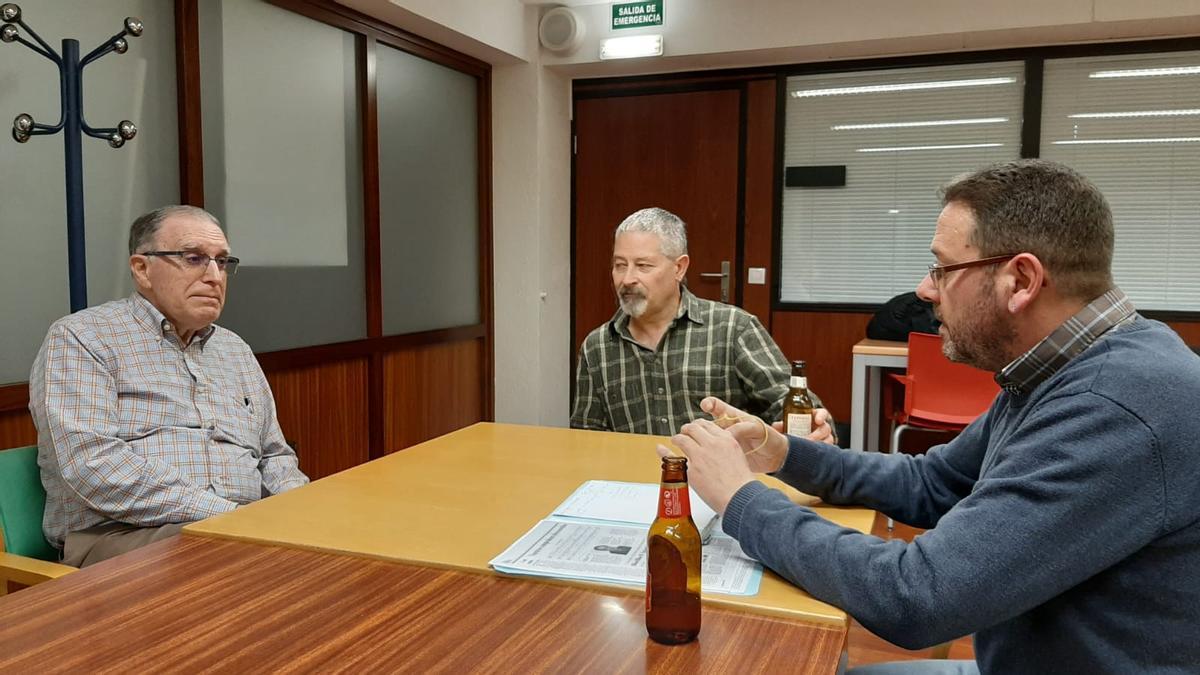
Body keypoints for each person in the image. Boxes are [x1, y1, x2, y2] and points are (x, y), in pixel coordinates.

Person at [663, 160, 1200, 673]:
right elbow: (934, 481)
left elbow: (917, 595)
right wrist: (782, 454)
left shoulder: (1114, 408)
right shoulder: (1062, 368)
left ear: (1021, 281)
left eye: (943, 269)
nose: (925, 290)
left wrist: (740, 499)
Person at [29, 205, 309, 568]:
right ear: (142, 269)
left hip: (242, 529)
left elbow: (274, 456)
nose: (214, 276)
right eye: (194, 258)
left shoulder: (233, 349)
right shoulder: (82, 338)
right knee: (257, 567)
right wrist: (231, 517)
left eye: (222, 262)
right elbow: (93, 467)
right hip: (121, 537)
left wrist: (301, 511)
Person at [570, 207, 835, 441]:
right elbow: (585, 437)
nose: (627, 279)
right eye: (619, 265)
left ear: (679, 268)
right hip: (633, 485)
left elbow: (790, 403)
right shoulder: (598, 347)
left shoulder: (732, 328)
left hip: (724, 487)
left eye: (643, 265)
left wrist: (814, 430)